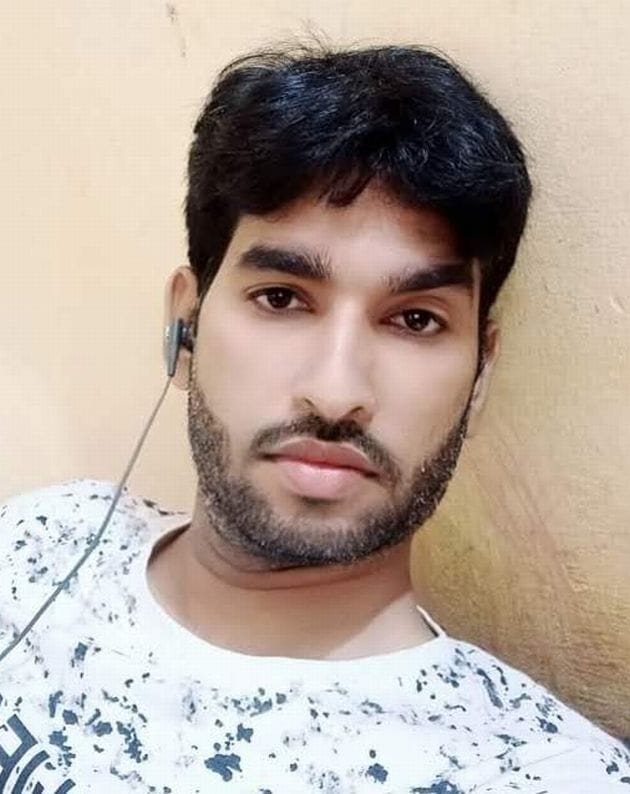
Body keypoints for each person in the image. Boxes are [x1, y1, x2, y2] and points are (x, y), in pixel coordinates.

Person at [0, 40, 628, 794]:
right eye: (282, 299)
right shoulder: (41, 539)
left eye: (417, 319)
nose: (335, 394)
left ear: (480, 374)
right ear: (185, 328)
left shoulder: (536, 771)